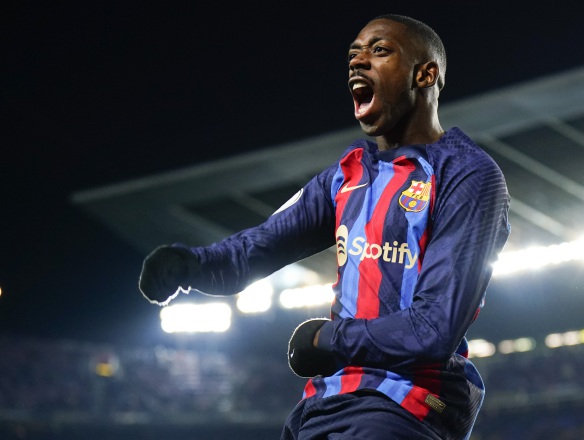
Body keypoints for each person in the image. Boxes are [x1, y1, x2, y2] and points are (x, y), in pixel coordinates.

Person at [138, 14, 510, 440]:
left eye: (379, 50)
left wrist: (327, 339)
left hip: (406, 405)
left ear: (425, 74)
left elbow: (434, 328)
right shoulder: (347, 175)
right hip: (322, 403)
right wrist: (188, 266)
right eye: (353, 55)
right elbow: (253, 250)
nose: (357, 62)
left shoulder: (467, 174)